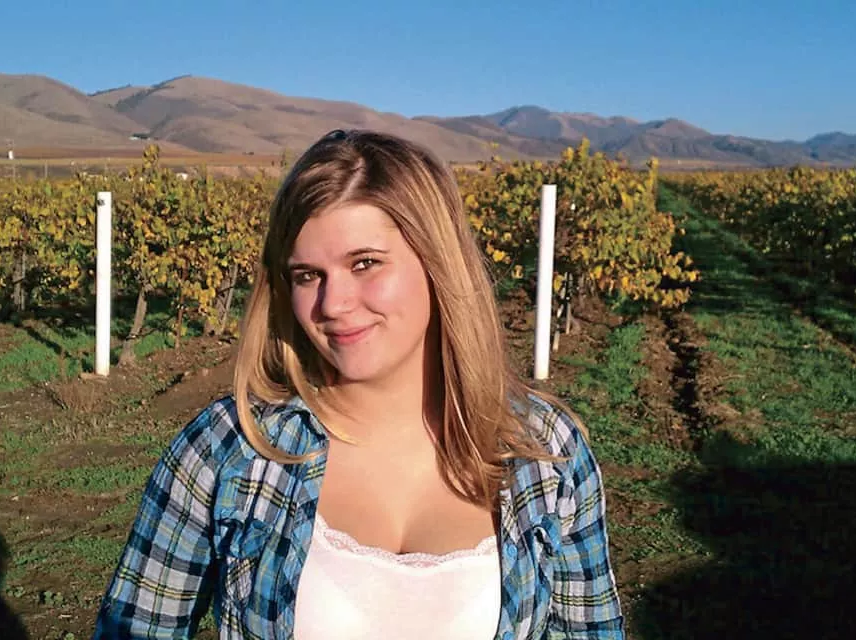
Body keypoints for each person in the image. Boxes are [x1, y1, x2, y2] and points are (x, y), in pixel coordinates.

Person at [93, 129, 624, 639]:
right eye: (307, 276)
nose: (333, 304)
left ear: (438, 264)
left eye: (365, 263)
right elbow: (137, 627)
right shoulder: (230, 447)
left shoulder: (544, 453)